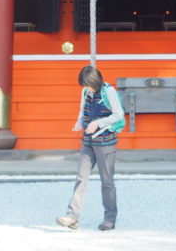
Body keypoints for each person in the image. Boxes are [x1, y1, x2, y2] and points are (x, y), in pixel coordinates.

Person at [56, 64, 124, 231]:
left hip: (106, 142)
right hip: (88, 141)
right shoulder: (86, 92)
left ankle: (109, 219)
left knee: (107, 182)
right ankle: (72, 217)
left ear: (94, 81)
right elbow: (83, 110)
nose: (86, 88)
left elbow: (118, 115)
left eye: (87, 85)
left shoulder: (108, 91)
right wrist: (79, 123)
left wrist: (98, 123)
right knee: (81, 177)